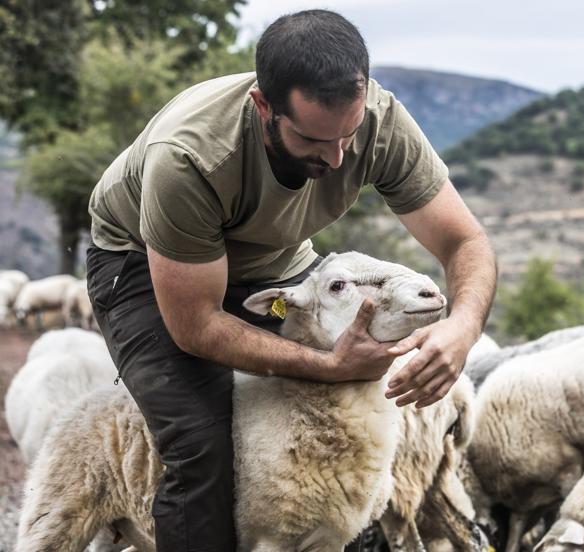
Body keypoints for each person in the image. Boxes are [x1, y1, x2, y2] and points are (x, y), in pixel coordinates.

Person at [85, 9, 496, 551]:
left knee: (346, 418)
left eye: (348, 135)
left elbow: (464, 242)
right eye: (312, 140)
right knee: (202, 440)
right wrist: (327, 364)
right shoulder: (188, 158)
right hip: (147, 264)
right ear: (263, 107)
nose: (337, 156)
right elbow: (197, 326)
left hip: (276, 262)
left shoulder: (377, 121)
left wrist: (462, 329)